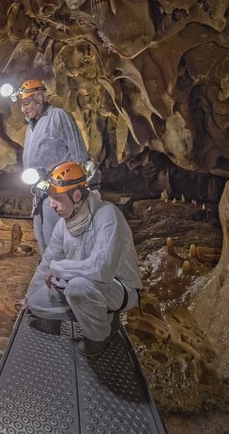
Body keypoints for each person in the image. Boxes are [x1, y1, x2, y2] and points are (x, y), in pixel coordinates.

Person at [18, 161, 142, 358]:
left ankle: (99, 337)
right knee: (36, 303)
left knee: (77, 287)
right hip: (84, 283)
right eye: (51, 198)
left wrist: (59, 268)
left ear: (76, 196)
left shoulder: (107, 215)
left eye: (57, 198)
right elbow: (48, 262)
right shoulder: (64, 224)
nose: (52, 205)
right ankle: (97, 313)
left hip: (118, 287)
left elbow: (102, 270)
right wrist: (29, 294)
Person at [15, 79, 89, 255]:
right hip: (40, 191)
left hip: (62, 190)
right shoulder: (30, 128)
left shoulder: (58, 116)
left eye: (26, 103)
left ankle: (66, 276)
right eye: (21, 105)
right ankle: (49, 275)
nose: (23, 109)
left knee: (61, 240)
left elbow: (79, 155)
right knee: (43, 237)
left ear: (39, 99)